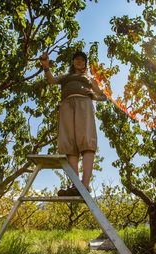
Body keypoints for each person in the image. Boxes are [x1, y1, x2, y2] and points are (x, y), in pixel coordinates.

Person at [39, 51, 107, 196]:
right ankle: (76, 186)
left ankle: (85, 185)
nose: (79, 62)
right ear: (73, 62)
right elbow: (52, 80)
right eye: (77, 59)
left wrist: (94, 96)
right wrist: (46, 66)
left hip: (84, 104)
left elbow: (104, 96)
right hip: (66, 106)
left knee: (86, 142)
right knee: (70, 145)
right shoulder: (66, 77)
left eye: (82, 60)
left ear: (85, 64)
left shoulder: (88, 78)